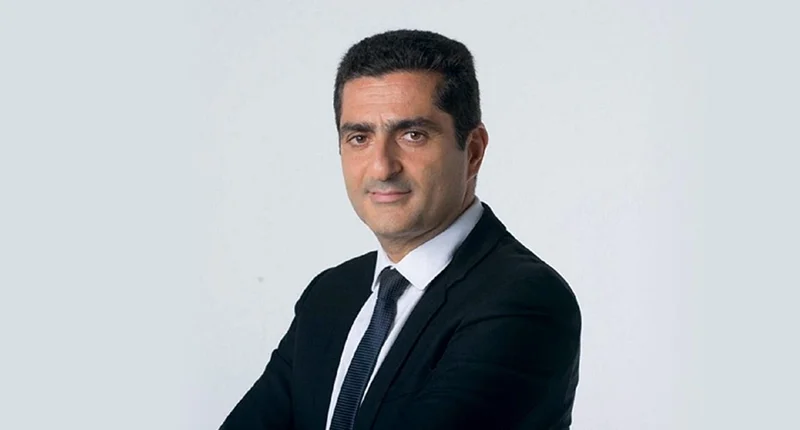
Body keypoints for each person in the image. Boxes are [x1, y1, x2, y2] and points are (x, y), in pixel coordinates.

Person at [220, 29, 581, 430]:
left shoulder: (523, 300)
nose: (382, 167)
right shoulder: (330, 296)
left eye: (413, 135)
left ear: (474, 151)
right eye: (359, 137)